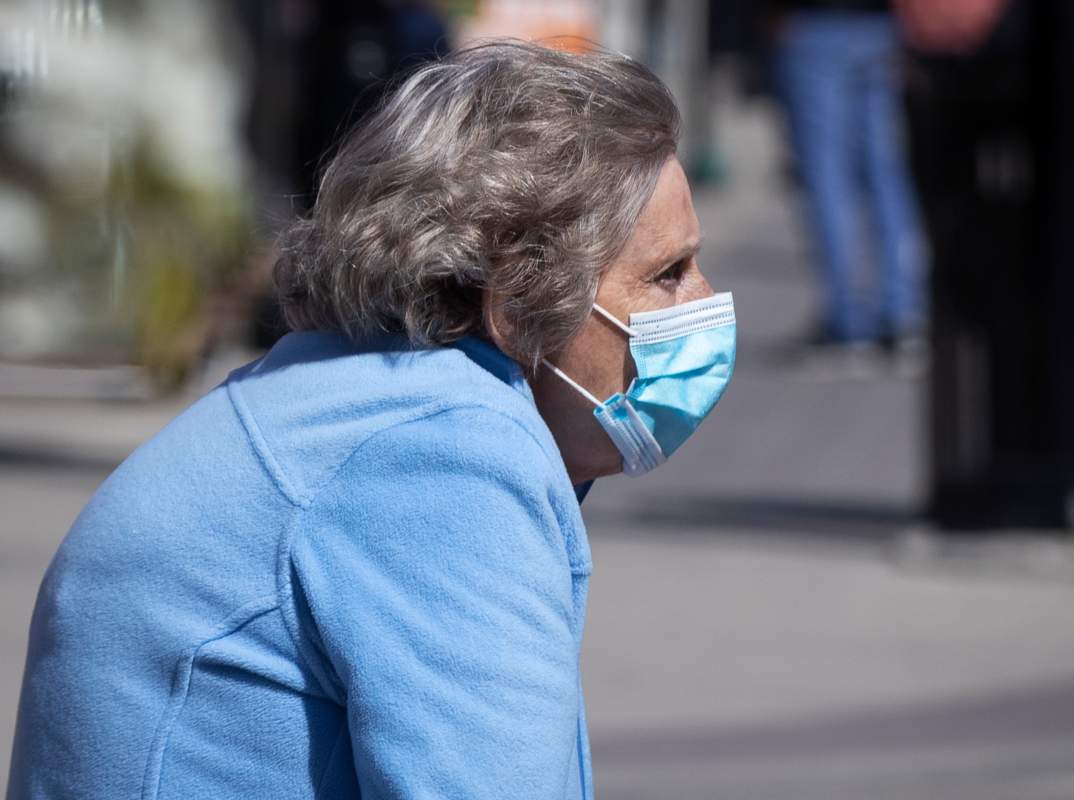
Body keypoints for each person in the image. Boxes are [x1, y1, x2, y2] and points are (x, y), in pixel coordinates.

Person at [7, 41, 735, 800]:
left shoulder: (341, 395)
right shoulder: (440, 452)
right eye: (667, 275)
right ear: (518, 302)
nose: (706, 301)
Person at [770, 0, 925, 348]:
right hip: (878, 25)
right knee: (886, 172)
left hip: (818, 23)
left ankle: (850, 316)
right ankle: (902, 309)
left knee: (829, 177)